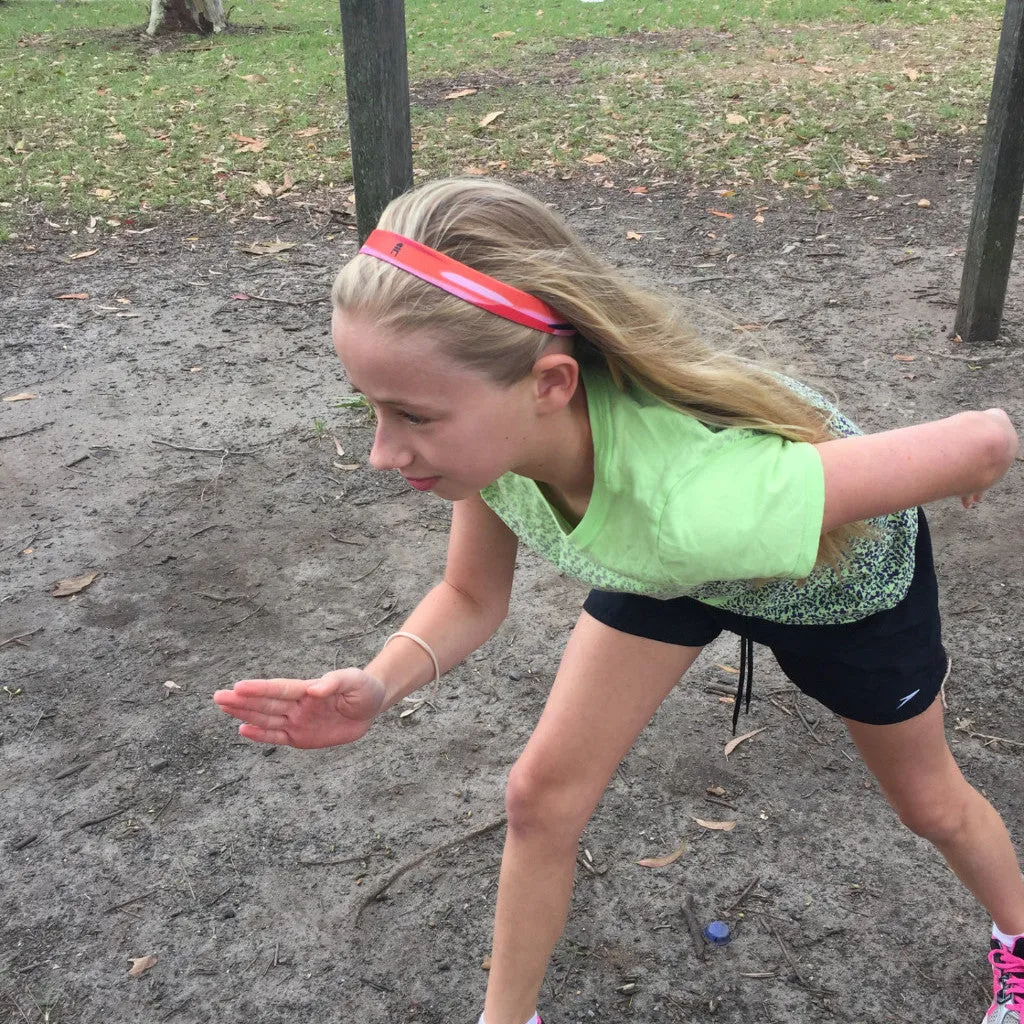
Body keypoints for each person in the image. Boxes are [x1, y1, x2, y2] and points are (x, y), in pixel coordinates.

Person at [213, 178, 1023, 1024]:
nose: (384, 454)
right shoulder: (491, 448)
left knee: (929, 804)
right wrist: (378, 686)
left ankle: (1021, 939)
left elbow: (984, 437)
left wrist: (978, 467)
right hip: (665, 565)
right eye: (374, 410)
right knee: (539, 797)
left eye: (411, 415)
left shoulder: (699, 500)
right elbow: (469, 593)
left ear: (552, 384)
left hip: (833, 587)